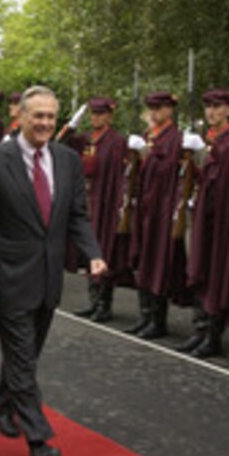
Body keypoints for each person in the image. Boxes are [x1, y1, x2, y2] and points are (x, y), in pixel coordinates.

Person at [0, 85, 105, 456]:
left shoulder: (67, 160)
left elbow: (77, 214)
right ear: (22, 118)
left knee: (25, 354)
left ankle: (0, 406)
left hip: (48, 276)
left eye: (51, 117)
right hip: (8, 274)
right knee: (21, 354)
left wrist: (93, 253)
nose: (45, 123)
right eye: (38, 116)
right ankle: (37, 438)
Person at [180, 89, 229, 358]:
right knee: (199, 268)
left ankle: (212, 335)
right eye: (208, 107)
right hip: (200, 216)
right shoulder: (207, 140)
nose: (212, 112)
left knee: (214, 274)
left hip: (220, 219)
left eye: (218, 107)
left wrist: (201, 157)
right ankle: (199, 330)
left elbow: (222, 182)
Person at [125, 92, 183, 340]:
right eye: (152, 109)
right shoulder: (149, 136)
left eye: (159, 108)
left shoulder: (175, 139)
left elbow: (168, 171)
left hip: (162, 208)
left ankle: (157, 320)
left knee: (156, 262)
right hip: (144, 207)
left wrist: (147, 155)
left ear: (170, 110)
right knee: (143, 258)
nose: (154, 113)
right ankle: (145, 315)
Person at [67, 97, 129, 323]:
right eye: (93, 114)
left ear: (109, 116)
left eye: (101, 114)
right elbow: (60, 142)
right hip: (88, 201)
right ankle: (94, 302)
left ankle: (104, 305)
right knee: (89, 251)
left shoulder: (115, 141)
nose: (96, 118)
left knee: (103, 250)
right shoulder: (86, 139)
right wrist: (73, 121)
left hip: (106, 203)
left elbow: (118, 178)